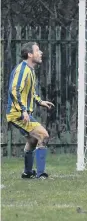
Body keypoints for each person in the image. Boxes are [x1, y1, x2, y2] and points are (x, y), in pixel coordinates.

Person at [6, 42, 54, 179]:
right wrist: (23, 110)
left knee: (33, 141)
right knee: (43, 135)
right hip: (17, 114)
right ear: (30, 54)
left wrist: (40, 101)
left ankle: (27, 173)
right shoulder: (23, 70)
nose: (41, 53)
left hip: (19, 112)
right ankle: (41, 174)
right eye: (37, 50)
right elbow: (14, 90)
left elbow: (30, 92)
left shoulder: (30, 70)